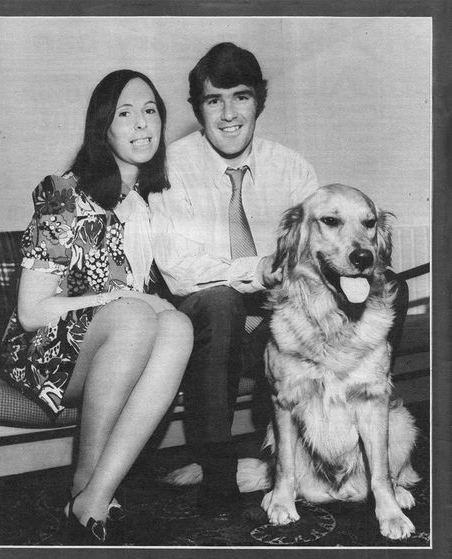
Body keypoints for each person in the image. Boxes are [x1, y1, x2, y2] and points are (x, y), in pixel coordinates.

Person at [149, 42, 408, 516]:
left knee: (389, 286)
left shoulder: (292, 167)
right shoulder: (172, 168)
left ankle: (355, 447)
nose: (229, 114)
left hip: (281, 318)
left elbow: (322, 246)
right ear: (197, 108)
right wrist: (257, 268)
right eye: (214, 100)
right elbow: (178, 270)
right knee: (220, 302)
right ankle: (218, 472)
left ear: (258, 102)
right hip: (207, 325)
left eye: (241, 96)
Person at [0, 70, 193, 544]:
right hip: (43, 355)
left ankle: (95, 495)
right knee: (133, 316)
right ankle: (84, 480)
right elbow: (30, 311)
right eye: (125, 114)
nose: (142, 124)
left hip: (119, 343)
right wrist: (114, 299)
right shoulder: (64, 196)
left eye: (150, 111)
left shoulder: (149, 201)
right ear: (102, 127)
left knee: (178, 325)